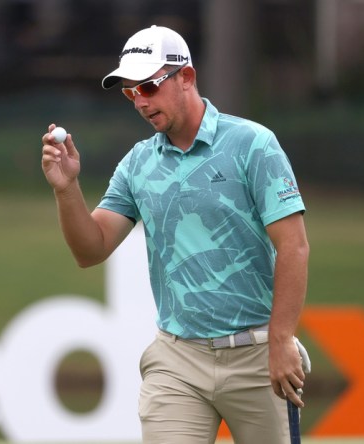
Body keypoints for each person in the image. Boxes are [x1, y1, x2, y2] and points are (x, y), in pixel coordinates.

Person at [40, 25, 309, 444]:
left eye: (149, 85)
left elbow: (293, 245)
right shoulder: (138, 163)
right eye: (131, 92)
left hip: (258, 354)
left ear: (187, 77)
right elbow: (90, 249)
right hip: (177, 359)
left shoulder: (253, 144)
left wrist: (281, 340)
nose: (141, 102)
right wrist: (67, 188)